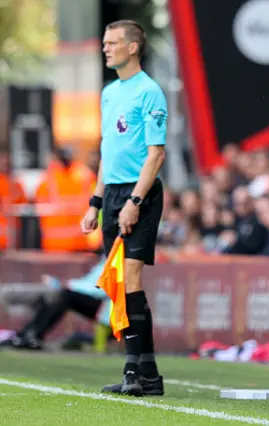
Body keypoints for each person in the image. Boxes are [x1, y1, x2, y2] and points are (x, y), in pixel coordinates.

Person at [80, 20, 167, 397]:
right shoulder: (110, 92)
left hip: (139, 195)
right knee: (120, 285)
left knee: (130, 279)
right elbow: (107, 152)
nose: (106, 48)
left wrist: (134, 201)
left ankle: (134, 371)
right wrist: (95, 202)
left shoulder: (150, 92)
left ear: (133, 47)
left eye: (113, 42)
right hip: (112, 195)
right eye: (104, 42)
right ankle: (148, 374)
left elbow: (156, 154)